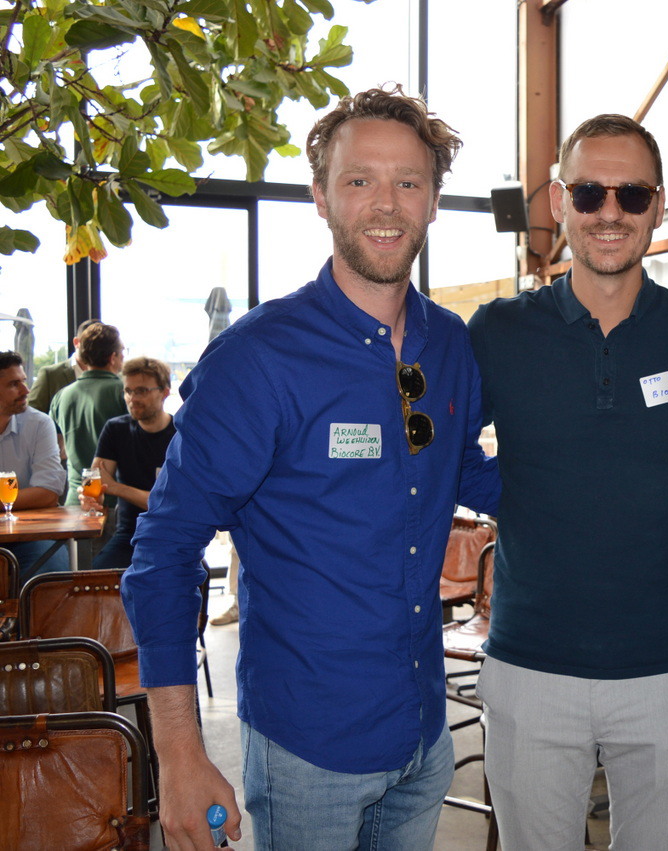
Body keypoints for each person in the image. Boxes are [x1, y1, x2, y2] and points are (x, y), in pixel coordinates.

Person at [121, 85, 500, 850]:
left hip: (424, 733)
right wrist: (180, 751)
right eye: (359, 180)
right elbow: (163, 552)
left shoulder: (451, 343)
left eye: (408, 182)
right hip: (307, 746)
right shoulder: (258, 358)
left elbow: (464, 469)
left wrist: (593, 486)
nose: (385, 203)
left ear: (433, 201)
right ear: (321, 197)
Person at [467, 114, 668, 849]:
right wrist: (515, 494)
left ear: (658, 206)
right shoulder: (497, 330)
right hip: (531, 665)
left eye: (631, 195)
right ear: (558, 201)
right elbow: (436, 451)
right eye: (589, 193)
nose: (610, 212)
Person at [78, 357, 175, 571]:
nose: (133, 398)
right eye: (128, 391)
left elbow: (169, 504)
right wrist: (91, 498)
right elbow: (96, 482)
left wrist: (115, 487)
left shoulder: (180, 435)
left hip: (173, 536)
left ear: (165, 392)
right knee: (94, 580)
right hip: (129, 535)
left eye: (142, 391)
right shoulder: (116, 429)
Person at [0, 351, 69, 581]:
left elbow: (48, 493)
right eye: (14, 384)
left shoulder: (39, 423)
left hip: (31, 535)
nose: (26, 390)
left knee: (51, 573)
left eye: (24, 381)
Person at [48, 321, 127, 504]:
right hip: (113, 501)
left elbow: (57, 449)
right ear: (113, 357)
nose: (124, 357)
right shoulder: (124, 393)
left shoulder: (61, 396)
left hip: (75, 499)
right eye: (122, 351)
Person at [27, 318, 99, 414]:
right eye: (90, 343)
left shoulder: (112, 377)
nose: (95, 350)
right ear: (76, 342)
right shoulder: (50, 375)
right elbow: (31, 413)